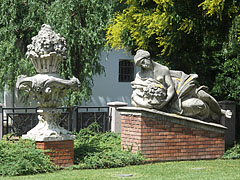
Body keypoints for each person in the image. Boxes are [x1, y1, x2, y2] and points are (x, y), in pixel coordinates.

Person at [131, 49, 232, 122]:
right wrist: (150, 105)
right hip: (167, 105)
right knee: (197, 105)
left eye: (143, 62)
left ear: (148, 58)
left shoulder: (163, 70)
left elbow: (170, 88)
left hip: (177, 93)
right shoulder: (140, 75)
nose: (143, 66)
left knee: (203, 95)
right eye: (141, 65)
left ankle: (220, 111)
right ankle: (211, 114)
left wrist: (164, 102)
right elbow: (135, 95)